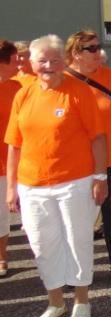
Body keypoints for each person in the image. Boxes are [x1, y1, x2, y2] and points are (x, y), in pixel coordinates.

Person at [5, 34, 107, 317]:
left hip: (74, 181)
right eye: (42, 60)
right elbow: (14, 145)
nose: (48, 65)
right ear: (32, 63)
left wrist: (100, 177)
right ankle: (55, 303)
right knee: (42, 244)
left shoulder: (78, 92)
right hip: (32, 184)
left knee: (76, 240)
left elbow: (98, 138)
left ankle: (81, 301)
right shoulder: (24, 94)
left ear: (64, 61)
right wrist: (12, 187)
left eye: (54, 59)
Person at [65, 30, 111, 284]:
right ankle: (76, 273)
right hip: (79, 163)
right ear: (75, 53)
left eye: (98, 46)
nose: (98, 52)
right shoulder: (64, 80)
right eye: (91, 48)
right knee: (77, 221)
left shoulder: (109, 77)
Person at [0, 40, 20, 278]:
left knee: (4, 214)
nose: (19, 64)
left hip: (13, 162)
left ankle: (3, 257)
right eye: (15, 61)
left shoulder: (17, 87)